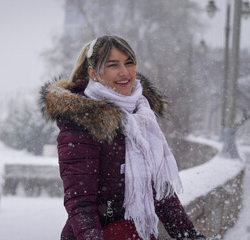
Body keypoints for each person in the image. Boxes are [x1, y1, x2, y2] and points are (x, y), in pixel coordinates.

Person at [40, 35, 212, 240]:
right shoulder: (81, 124)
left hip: (135, 233)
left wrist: (187, 234)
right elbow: (80, 203)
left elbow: (158, 190)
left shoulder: (141, 117)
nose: (125, 72)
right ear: (93, 72)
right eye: (113, 65)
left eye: (129, 63)